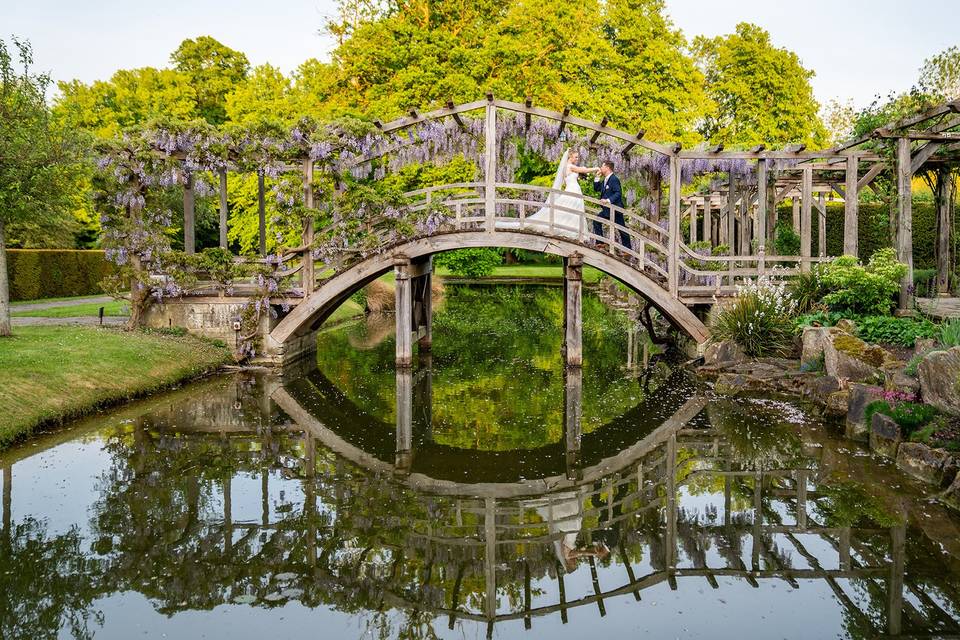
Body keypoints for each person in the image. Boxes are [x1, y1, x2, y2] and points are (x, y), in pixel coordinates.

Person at [499, 149, 596, 238]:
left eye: (577, 157)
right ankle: (571, 231)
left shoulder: (568, 166)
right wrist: (596, 168)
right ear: (570, 157)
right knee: (571, 210)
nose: (577, 159)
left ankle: (573, 231)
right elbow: (584, 170)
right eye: (576, 157)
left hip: (574, 190)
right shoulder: (570, 166)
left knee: (572, 210)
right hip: (572, 190)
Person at [592, 161, 632, 250]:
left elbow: (618, 193)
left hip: (615, 208)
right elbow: (596, 188)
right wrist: (597, 177)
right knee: (596, 221)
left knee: (622, 229)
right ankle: (600, 243)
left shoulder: (614, 179)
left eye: (602, 167)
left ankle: (628, 249)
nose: (601, 168)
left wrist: (607, 200)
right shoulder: (605, 179)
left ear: (607, 168)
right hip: (607, 210)